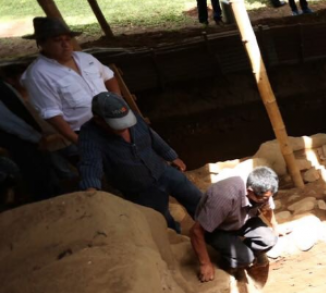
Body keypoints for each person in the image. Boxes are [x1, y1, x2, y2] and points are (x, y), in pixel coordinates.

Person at [79, 92, 202, 232]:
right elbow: (90, 163)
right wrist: (91, 189)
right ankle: (176, 236)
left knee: (195, 197)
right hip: (139, 188)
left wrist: (171, 156)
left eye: (125, 120)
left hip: (162, 170)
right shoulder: (90, 136)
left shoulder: (132, 117)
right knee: (160, 218)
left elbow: (152, 136)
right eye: (118, 125)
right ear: (99, 120)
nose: (125, 126)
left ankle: (213, 227)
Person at [21, 17, 123, 145]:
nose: (65, 45)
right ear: (42, 44)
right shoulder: (38, 75)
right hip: (87, 131)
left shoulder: (86, 58)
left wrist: (117, 102)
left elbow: (109, 76)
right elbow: (52, 114)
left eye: (67, 39)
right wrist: (79, 142)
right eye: (57, 40)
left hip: (116, 118)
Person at [190, 167, 281, 283]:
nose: (267, 200)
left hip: (242, 219)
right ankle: (230, 262)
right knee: (245, 258)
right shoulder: (224, 198)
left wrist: (275, 226)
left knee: (270, 239)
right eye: (265, 198)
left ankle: (243, 254)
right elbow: (196, 231)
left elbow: (266, 207)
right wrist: (205, 264)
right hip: (218, 227)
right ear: (249, 191)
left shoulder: (262, 188)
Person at [0, 80, 62, 202]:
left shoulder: (4, 85)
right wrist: (34, 136)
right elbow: (8, 121)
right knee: (38, 175)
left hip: (27, 135)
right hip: (21, 139)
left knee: (44, 171)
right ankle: (49, 205)